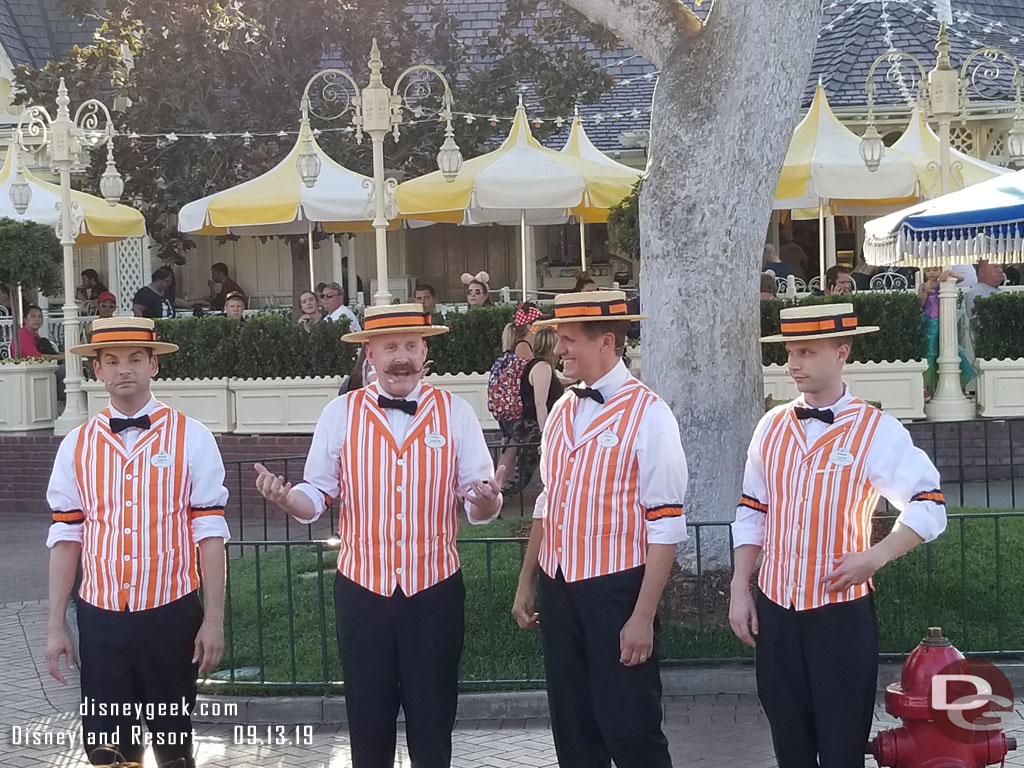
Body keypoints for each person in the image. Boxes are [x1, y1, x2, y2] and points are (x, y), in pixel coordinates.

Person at [254, 303, 504, 768]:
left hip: (434, 591)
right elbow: (316, 495)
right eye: (390, 347)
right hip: (362, 592)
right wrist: (290, 501)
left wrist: (488, 502)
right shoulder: (340, 414)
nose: (401, 357)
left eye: (410, 345)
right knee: (368, 725)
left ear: (425, 350)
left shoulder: (455, 413)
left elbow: (479, 499)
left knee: (433, 725)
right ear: (370, 353)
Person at [729, 302, 947, 768]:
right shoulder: (769, 427)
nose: (794, 364)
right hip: (775, 608)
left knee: (843, 745)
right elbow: (752, 510)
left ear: (841, 353)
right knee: (789, 742)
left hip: (840, 614)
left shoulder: (877, 431)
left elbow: (930, 506)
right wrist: (739, 588)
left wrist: (875, 556)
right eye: (790, 352)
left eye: (807, 352)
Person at [512, 290, 687, 768]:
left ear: (607, 341)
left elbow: (666, 524)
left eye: (568, 340)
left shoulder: (651, 415)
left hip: (616, 591)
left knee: (631, 728)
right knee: (573, 729)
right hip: (559, 586)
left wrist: (642, 616)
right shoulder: (564, 409)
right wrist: (528, 582)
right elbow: (549, 502)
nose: (560, 349)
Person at [44, 317, 229, 768]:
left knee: (173, 745)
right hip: (101, 617)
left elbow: (209, 533)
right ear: (98, 372)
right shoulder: (76, 445)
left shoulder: (193, 437)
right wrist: (55, 625)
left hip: (171, 612)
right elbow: (67, 536)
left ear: (154, 366)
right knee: (108, 748)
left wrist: (214, 619)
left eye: (134, 359)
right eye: (112, 361)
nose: (123, 369)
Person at [503, 326, 563, 495]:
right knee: (522, 475)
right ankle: (496, 500)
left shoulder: (536, 365)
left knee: (522, 472)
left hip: (527, 424)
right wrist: (544, 434)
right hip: (534, 427)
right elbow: (540, 402)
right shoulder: (543, 368)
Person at [919, 267, 972, 393]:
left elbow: (961, 278)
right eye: (928, 270)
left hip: (944, 320)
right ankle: (930, 386)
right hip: (930, 323)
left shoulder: (942, 282)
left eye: (935, 270)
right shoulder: (923, 286)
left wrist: (949, 272)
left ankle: (959, 383)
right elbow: (920, 304)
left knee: (951, 348)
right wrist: (925, 292)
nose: (931, 273)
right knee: (931, 351)